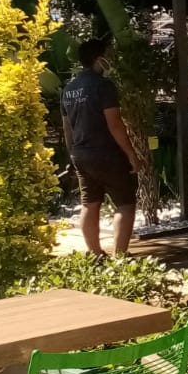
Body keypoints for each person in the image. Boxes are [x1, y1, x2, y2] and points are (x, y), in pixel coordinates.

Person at [60, 38, 142, 258]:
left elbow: (67, 127)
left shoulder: (68, 89)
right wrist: (131, 154)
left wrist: (73, 153)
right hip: (107, 153)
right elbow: (114, 124)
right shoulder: (103, 86)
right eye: (108, 55)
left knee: (90, 202)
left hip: (81, 153)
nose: (111, 59)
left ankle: (95, 253)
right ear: (99, 58)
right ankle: (121, 255)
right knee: (125, 204)